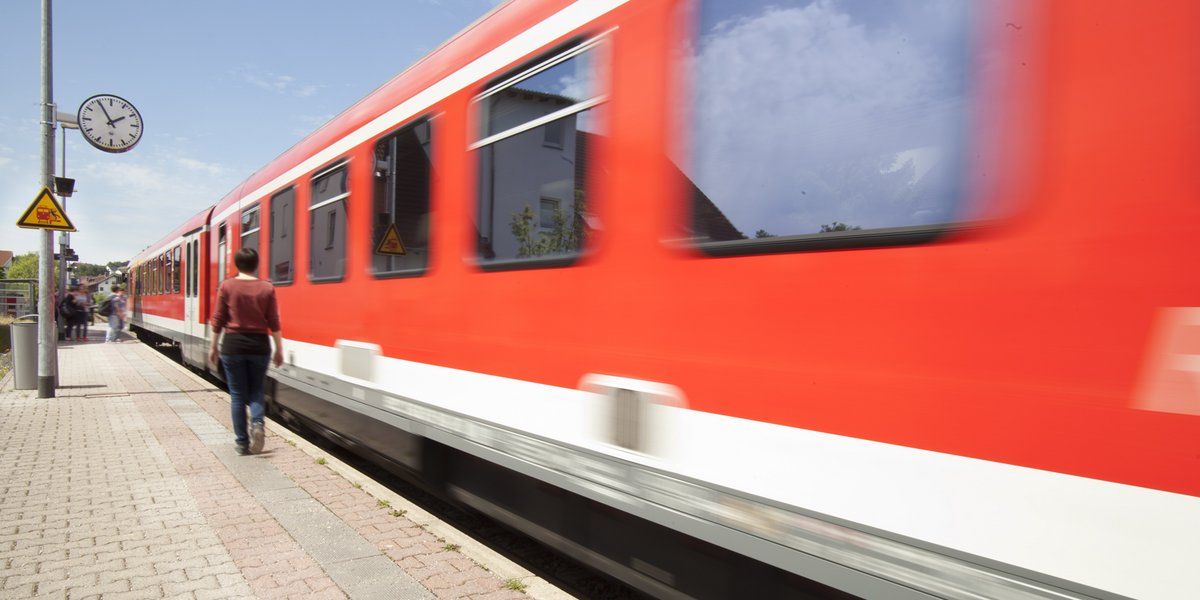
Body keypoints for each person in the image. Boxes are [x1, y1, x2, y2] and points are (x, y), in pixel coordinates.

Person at [208, 248, 283, 456]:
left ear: (236, 264)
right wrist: (279, 349)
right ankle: (257, 424)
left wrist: (213, 346)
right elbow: (274, 321)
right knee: (257, 390)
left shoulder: (227, 286)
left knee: (238, 395)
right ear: (256, 264)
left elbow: (218, 319)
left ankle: (242, 443)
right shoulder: (267, 287)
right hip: (259, 345)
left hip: (233, 345)